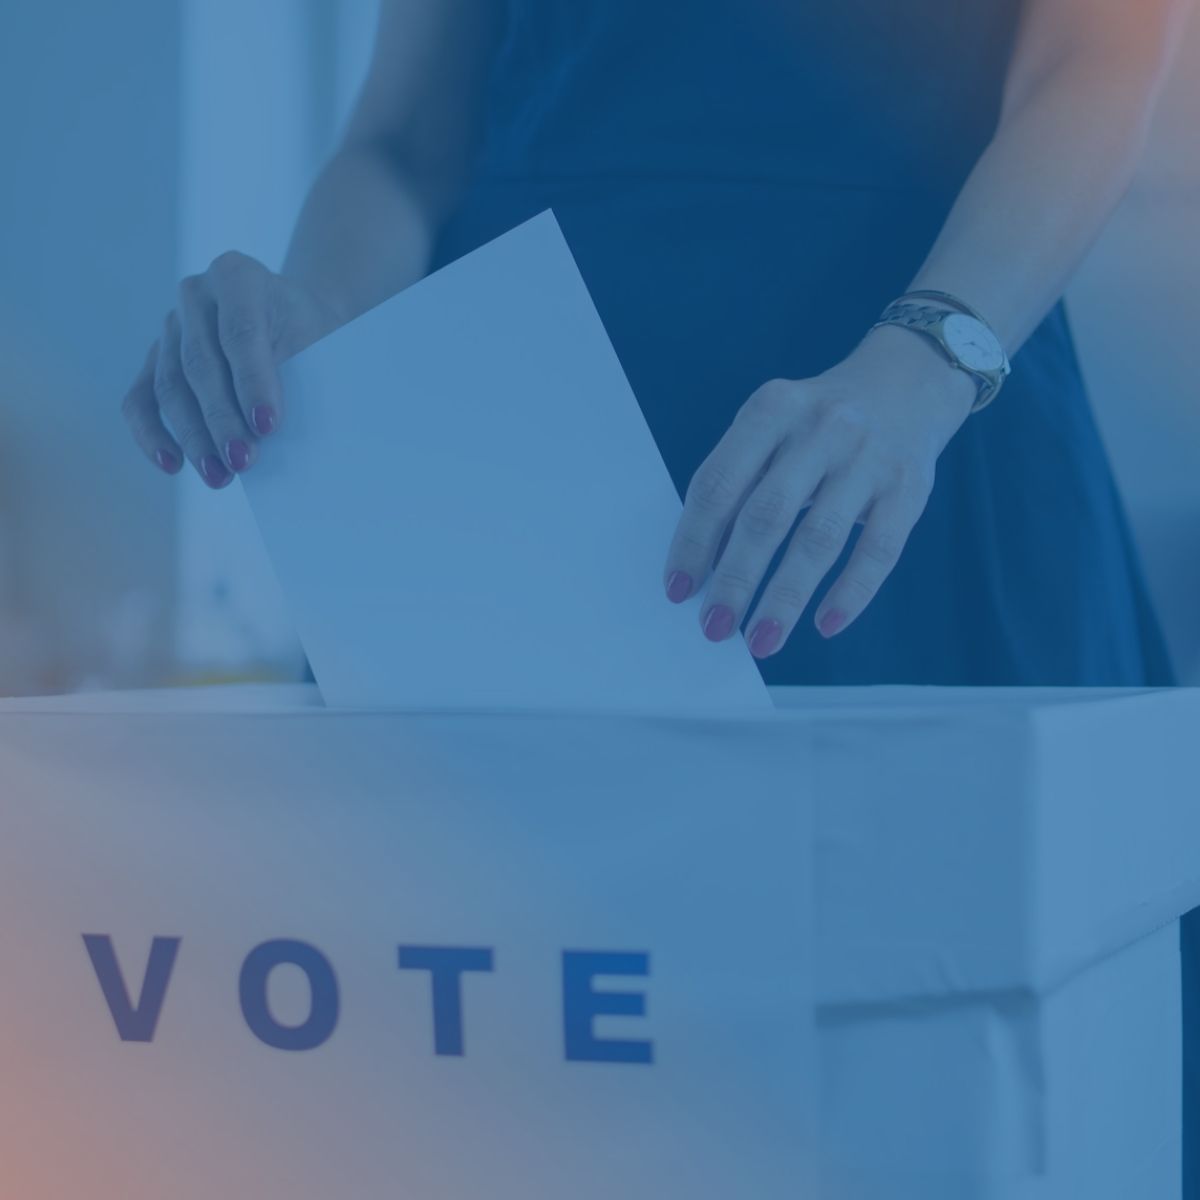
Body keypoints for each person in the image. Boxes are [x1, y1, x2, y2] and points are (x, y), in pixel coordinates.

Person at [120, 0, 1193, 1182]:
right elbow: (405, 144)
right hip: (520, 478)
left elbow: (1095, 65)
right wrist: (310, 323)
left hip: (911, 441)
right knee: (496, 1095)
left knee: (949, 1092)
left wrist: (924, 367)